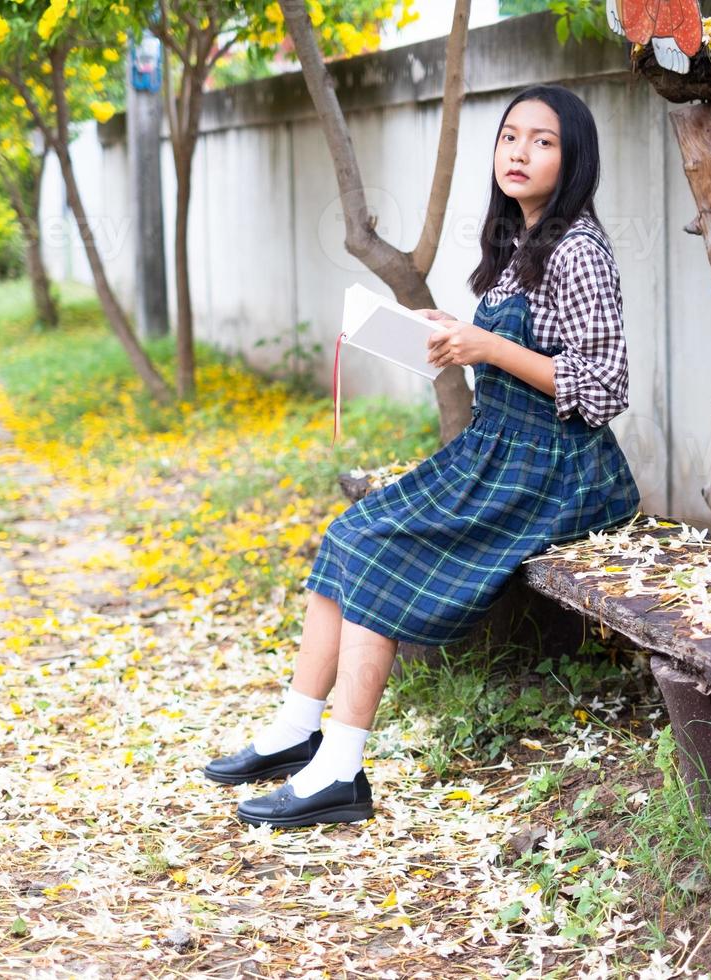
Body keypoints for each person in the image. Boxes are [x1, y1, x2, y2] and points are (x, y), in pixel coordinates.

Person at [203, 83, 642, 828]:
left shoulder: (578, 252)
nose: (520, 152)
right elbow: (513, 353)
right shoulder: (521, 240)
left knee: (376, 547)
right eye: (510, 137)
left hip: (559, 471)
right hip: (499, 452)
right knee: (349, 535)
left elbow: (605, 389)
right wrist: (448, 332)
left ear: (573, 162)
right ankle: (298, 729)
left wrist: (489, 346)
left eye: (542, 141)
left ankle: (339, 769)